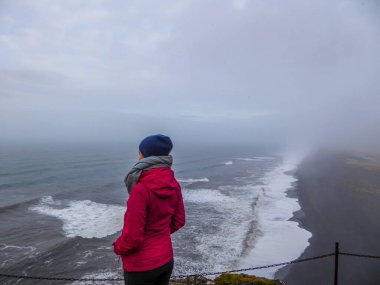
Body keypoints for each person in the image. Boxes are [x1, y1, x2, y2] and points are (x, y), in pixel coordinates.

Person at [113, 134, 185, 285]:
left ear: (146, 155)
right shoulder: (174, 183)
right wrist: (158, 235)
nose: (138, 156)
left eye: (140, 152)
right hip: (165, 260)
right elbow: (179, 221)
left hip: (142, 266)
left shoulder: (141, 189)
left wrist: (118, 247)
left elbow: (133, 237)